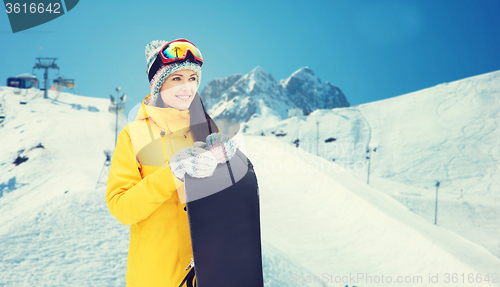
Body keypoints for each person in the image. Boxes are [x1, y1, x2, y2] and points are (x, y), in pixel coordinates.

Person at [106, 39, 237, 287]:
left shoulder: (207, 130)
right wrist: (173, 174)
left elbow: (228, 204)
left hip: (206, 273)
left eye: (193, 78)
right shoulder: (134, 136)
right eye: (176, 78)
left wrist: (229, 164)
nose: (186, 87)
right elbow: (121, 208)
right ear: (158, 84)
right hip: (155, 277)